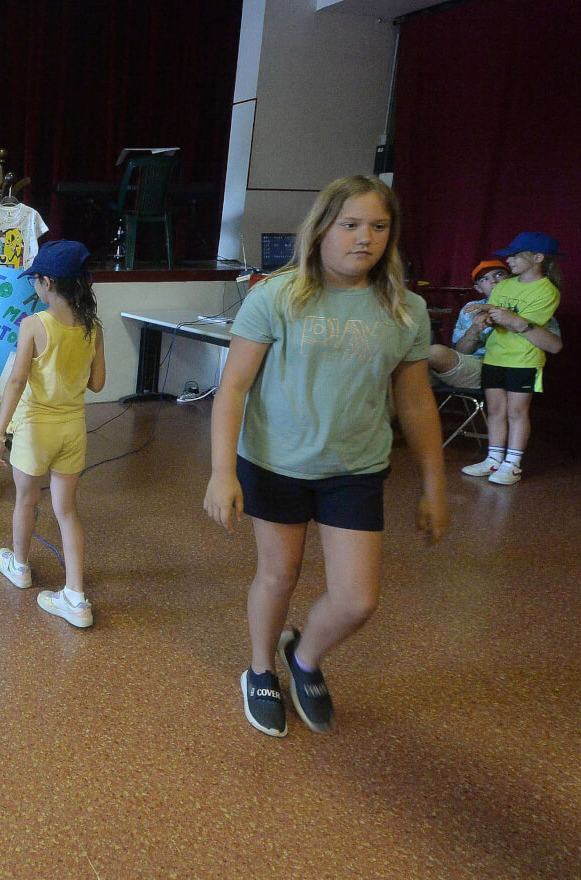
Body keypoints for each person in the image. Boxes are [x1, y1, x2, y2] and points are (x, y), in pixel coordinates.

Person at [204, 174, 448, 738]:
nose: (365, 238)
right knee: (278, 575)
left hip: (355, 470)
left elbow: (416, 404)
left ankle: (304, 656)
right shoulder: (277, 296)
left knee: (358, 600)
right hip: (276, 463)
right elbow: (234, 386)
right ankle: (261, 669)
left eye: (378, 227)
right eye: (350, 225)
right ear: (320, 230)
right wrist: (221, 471)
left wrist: (434, 487)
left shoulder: (405, 309)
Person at [0, 240, 107, 629]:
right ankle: (75, 597)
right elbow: (97, 384)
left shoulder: (34, 324)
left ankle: (20, 566)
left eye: (35, 279)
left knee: (26, 501)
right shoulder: (93, 327)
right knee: (67, 511)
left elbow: (16, 382)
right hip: (73, 429)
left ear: (49, 282)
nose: (34, 286)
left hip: (35, 430)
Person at [460, 232, 563, 486]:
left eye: (516, 255)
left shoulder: (547, 290)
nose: (509, 260)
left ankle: (513, 465)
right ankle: (493, 459)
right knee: (495, 410)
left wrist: (505, 317)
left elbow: (524, 325)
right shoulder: (504, 286)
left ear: (538, 258)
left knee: (517, 412)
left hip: (523, 360)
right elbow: (499, 317)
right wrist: (485, 317)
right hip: (495, 356)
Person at [428, 260, 561, 390]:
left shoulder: (531, 305)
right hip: (470, 365)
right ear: (478, 288)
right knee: (421, 359)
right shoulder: (472, 308)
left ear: (511, 279)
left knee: (434, 352)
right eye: (484, 279)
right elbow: (461, 352)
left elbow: (555, 347)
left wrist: (516, 322)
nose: (493, 281)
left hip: (509, 367)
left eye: (499, 274)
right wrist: (474, 330)